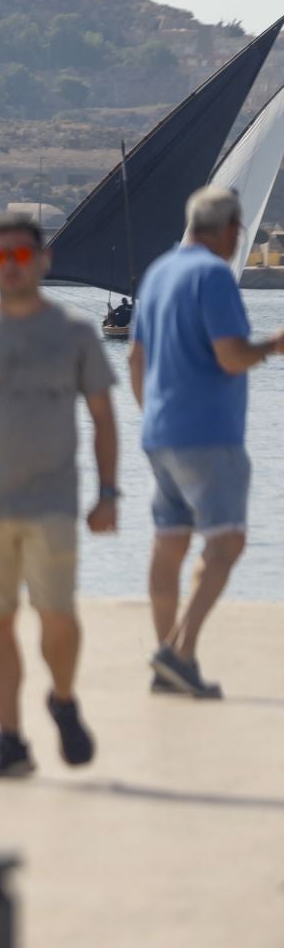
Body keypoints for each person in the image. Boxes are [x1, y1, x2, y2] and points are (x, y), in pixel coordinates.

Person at [0, 213, 118, 778]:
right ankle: (10, 740)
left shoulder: (74, 334)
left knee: (57, 616)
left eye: (21, 257)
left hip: (52, 502)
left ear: (42, 262)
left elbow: (103, 417)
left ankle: (64, 697)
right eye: (0, 258)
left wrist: (109, 493)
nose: (10, 267)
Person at [129, 186, 284, 698]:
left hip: (160, 433)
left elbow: (135, 360)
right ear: (228, 229)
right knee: (228, 541)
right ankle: (178, 649)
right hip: (209, 434)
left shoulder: (158, 273)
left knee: (169, 543)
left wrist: (153, 416)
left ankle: (168, 665)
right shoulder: (215, 275)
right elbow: (231, 356)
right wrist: (275, 344)